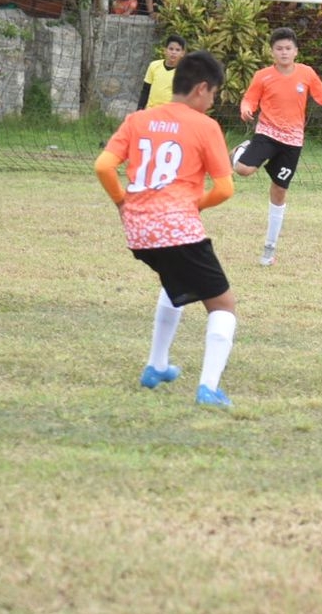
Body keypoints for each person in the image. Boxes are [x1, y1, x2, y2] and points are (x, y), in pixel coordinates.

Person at [93, 49, 240, 409]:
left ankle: (157, 365)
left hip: (139, 231)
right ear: (202, 89)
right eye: (215, 95)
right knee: (223, 305)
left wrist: (121, 202)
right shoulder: (205, 127)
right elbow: (224, 189)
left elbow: (103, 166)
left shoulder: (138, 119)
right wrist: (192, 206)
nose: (213, 102)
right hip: (177, 229)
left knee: (175, 283)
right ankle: (209, 389)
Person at [233, 27, 322, 266]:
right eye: (279, 49)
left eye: (288, 48)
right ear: (272, 52)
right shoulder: (262, 76)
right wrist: (246, 108)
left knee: (279, 190)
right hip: (267, 133)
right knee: (244, 170)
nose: (284, 52)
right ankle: (241, 150)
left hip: (292, 141)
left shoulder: (306, 73)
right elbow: (250, 98)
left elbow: (321, 95)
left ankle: (270, 248)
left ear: (296, 51)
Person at [138, 35, 188, 111]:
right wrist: (140, 109)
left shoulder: (183, 72)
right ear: (165, 50)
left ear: (182, 53)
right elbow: (146, 90)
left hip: (169, 114)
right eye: (171, 49)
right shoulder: (154, 66)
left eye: (177, 50)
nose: (173, 52)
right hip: (151, 111)